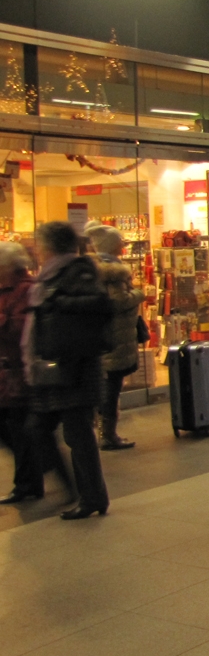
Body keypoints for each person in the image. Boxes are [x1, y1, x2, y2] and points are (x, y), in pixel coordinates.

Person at [24, 222, 113, 520]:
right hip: (55, 368)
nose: (36, 249)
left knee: (77, 434)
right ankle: (78, 490)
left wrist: (57, 301)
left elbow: (100, 304)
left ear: (50, 246)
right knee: (39, 428)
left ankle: (91, 496)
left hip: (75, 367)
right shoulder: (50, 274)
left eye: (39, 243)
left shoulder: (76, 270)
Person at [0, 244, 58, 505]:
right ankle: (33, 475)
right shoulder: (8, 289)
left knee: (21, 428)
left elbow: (23, 329)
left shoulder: (26, 289)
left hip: (20, 372)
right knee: (15, 429)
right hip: (8, 373)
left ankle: (30, 481)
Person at [87, 224, 144, 451]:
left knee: (107, 385)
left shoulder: (94, 268)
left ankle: (102, 431)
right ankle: (108, 434)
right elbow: (118, 302)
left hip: (107, 336)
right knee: (111, 387)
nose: (123, 246)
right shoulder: (112, 271)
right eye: (120, 242)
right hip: (115, 336)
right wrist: (138, 294)